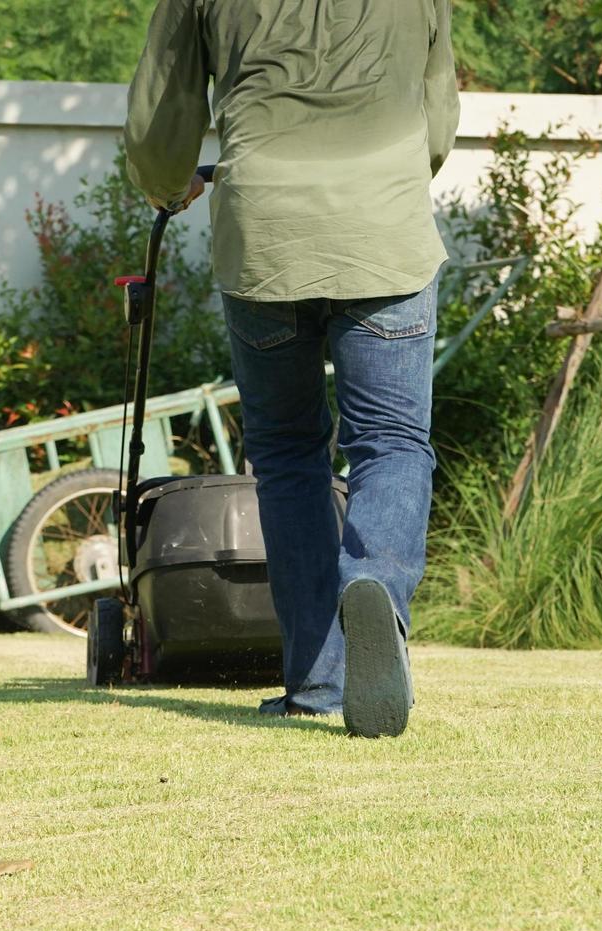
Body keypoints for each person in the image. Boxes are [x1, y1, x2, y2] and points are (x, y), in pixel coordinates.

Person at [123, 0, 459, 738]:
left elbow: (163, 108)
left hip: (265, 231)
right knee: (392, 443)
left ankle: (318, 681)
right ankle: (374, 584)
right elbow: (436, 119)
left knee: (286, 454)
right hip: (385, 232)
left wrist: (165, 182)